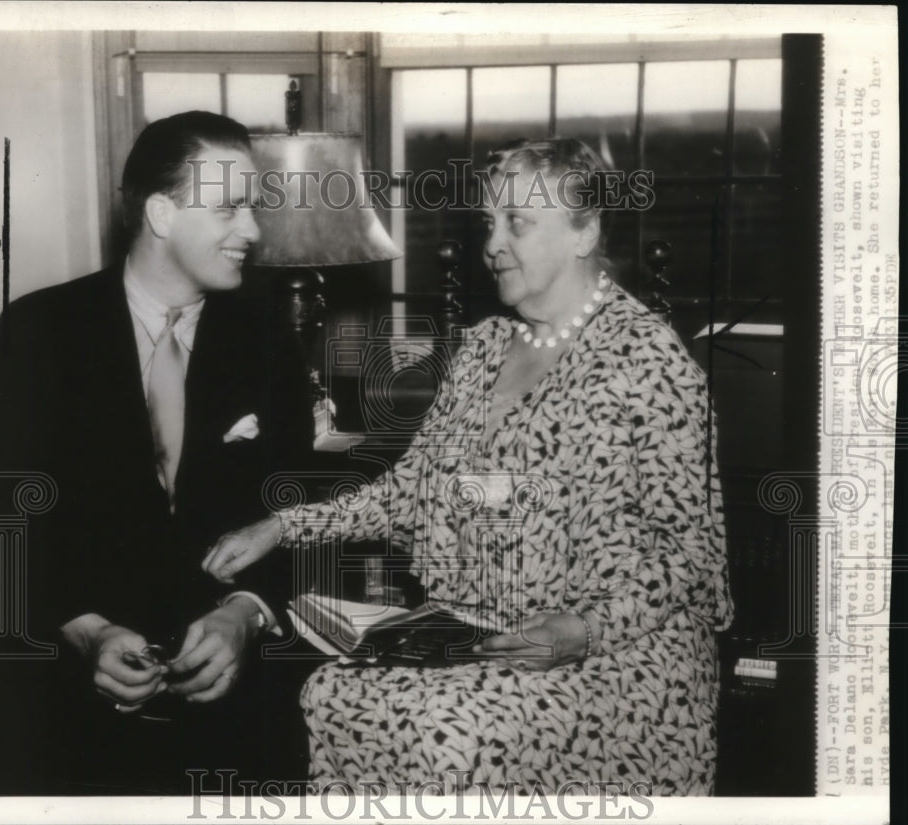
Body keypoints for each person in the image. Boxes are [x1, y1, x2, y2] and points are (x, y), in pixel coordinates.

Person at [203, 137, 734, 795]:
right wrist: (284, 527)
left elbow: (687, 554)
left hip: (619, 657)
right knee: (332, 694)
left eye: (519, 222)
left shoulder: (650, 363)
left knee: (445, 727)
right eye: (490, 221)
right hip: (480, 630)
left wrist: (583, 629)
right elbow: (411, 492)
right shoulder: (482, 348)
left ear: (585, 230)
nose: (493, 243)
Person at [0, 111, 314, 794]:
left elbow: (298, 507)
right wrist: (87, 630)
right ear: (160, 212)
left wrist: (244, 611)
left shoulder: (267, 339)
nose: (253, 231)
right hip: (62, 696)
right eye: (229, 208)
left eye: (253, 207)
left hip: (236, 704)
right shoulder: (39, 331)